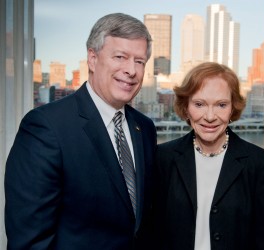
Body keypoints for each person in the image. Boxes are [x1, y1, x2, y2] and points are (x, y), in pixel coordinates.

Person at [5, 13, 156, 250]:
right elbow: (29, 241)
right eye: (120, 57)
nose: (131, 70)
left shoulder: (144, 128)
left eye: (139, 61)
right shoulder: (46, 127)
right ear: (93, 59)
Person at [153, 62, 264, 250]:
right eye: (199, 104)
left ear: (232, 109)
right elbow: (153, 233)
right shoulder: (163, 157)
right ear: (186, 108)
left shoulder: (258, 163)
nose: (210, 116)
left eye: (221, 105)